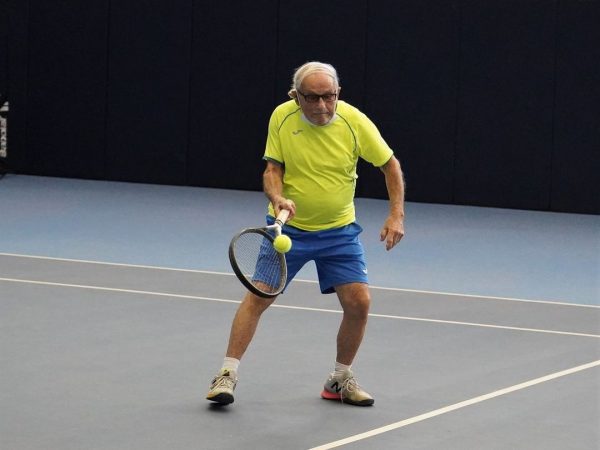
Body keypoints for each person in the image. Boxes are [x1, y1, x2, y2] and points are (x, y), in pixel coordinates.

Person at [207, 61, 405, 407]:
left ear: (337, 94)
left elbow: (390, 164)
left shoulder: (354, 122)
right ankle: (227, 374)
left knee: (359, 302)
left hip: (339, 232)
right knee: (259, 297)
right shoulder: (281, 117)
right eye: (312, 98)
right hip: (288, 230)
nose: (321, 106)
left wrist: (395, 215)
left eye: (328, 97)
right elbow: (272, 169)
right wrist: (277, 197)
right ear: (296, 96)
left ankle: (339, 379)